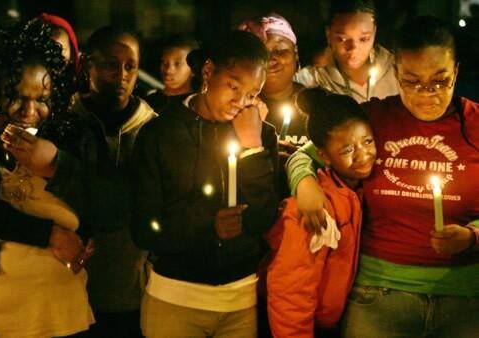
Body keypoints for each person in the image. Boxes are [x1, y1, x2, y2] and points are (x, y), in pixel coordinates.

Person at [287, 16, 479, 337]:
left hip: (464, 299)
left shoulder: (474, 124)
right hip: (378, 296)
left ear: (456, 71)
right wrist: (304, 184)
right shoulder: (374, 117)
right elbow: (305, 154)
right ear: (397, 74)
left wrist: (473, 236)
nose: (426, 93)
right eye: (412, 81)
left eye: (440, 81)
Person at [131, 30, 279, 338]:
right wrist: (208, 224)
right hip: (176, 296)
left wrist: (252, 148)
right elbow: (144, 229)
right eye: (234, 86)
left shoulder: (261, 134)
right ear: (209, 71)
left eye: (253, 94)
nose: (241, 102)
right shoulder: (160, 133)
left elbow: (265, 217)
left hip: (241, 299)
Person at [0, 18, 94, 338]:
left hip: (59, 315)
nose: (29, 111)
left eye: (41, 99)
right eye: (16, 96)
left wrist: (58, 166)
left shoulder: (72, 136)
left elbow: (110, 205)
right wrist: (49, 235)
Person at [267, 88, 375, 338]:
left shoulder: (355, 190)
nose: (363, 155)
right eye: (347, 150)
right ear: (323, 155)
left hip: (331, 322)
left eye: (367, 141)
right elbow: (291, 292)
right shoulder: (312, 208)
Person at [72, 25, 156, 338]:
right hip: (74, 285)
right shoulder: (66, 124)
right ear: (88, 64)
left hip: (134, 286)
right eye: (110, 64)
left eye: (130, 66)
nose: (121, 75)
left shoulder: (152, 129)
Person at [239, 13, 306, 199]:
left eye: (281, 51)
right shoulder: (236, 108)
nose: (271, 60)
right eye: (262, 53)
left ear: (296, 53)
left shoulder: (319, 104)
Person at [294, 0, 398, 103]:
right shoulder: (314, 79)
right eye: (342, 39)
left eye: (364, 39)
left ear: (374, 33)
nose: (353, 48)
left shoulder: (396, 70)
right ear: (328, 34)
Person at [145, 34, 198, 114]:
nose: (168, 70)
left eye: (177, 64)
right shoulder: (148, 103)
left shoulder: (195, 105)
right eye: (164, 62)